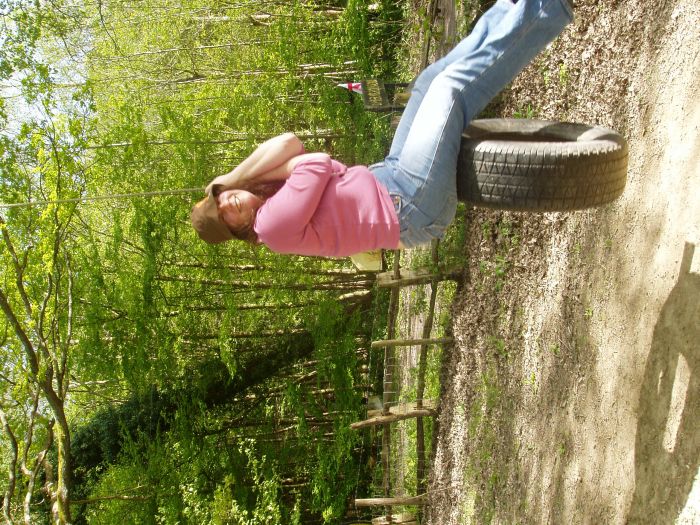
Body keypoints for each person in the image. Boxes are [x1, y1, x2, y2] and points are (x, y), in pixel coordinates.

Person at [191, 0, 574, 256]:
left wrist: (234, 177)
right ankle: (546, 10)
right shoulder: (271, 226)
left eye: (219, 200)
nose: (227, 204)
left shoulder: (267, 199)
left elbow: (290, 142)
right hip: (409, 204)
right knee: (448, 89)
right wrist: (254, 178)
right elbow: (315, 162)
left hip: (392, 176)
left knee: (427, 83)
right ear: (238, 230)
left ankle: (511, 9)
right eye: (224, 216)